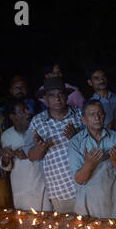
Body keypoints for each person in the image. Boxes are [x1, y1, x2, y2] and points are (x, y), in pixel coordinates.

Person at [24, 77, 83, 213]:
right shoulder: (37, 122)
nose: (57, 99)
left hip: (85, 186)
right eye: (52, 95)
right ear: (45, 99)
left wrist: (76, 138)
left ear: (66, 96)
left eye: (60, 94)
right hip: (60, 191)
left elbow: (94, 146)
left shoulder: (80, 115)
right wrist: (40, 148)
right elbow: (31, 155)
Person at [68, 99, 116, 218]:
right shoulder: (75, 142)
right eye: (92, 114)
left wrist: (115, 160)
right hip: (87, 201)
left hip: (112, 199)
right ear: (83, 119)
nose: (97, 118)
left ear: (104, 116)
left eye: (100, 113)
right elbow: (79, 179)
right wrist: (89, 164)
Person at [0, 98, 52, 211]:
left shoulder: (38, 130)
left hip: (42, 185)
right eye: (23, 111)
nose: (28, 113)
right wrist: (6, 157)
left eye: (27, 109)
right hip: (21, 188)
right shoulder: (6, 136)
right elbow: (7, 166)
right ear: (13, 117)